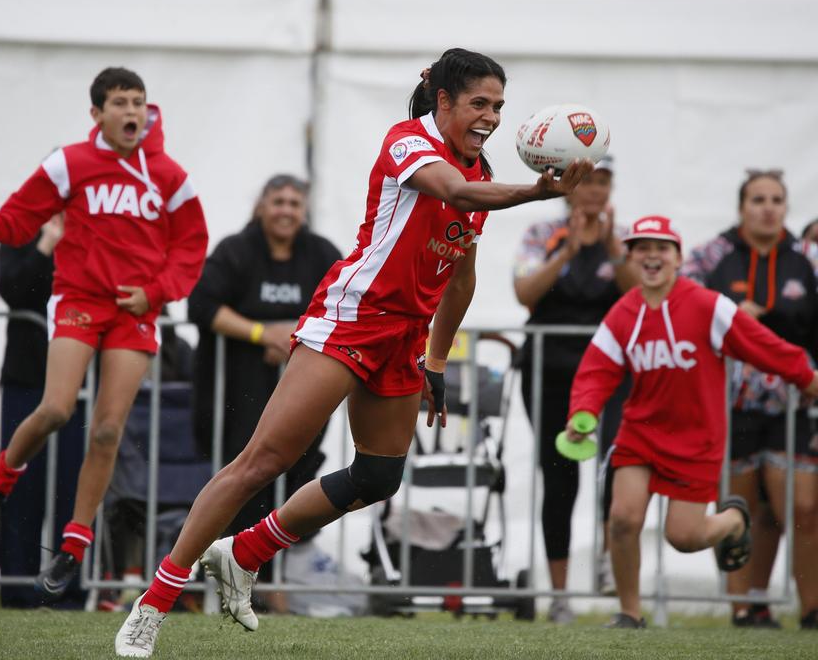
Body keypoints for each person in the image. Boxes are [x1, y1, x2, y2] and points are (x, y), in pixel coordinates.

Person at [113, 47, 595, 657]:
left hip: (404, 338)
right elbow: (452, 191)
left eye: (499, 106)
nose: (491, 117)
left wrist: (437, 361)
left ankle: (244, 553)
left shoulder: (479, 171)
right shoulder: (408, 142)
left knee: (378, 476)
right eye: (479, 103)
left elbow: (462, 278)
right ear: (443, 100)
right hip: (351, 320)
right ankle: (153, 604)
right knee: (262, 461)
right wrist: (536, 191)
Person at [0, 67, 208, 598]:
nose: (132, 111)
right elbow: (17, 222)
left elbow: (192, 247)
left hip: (134, 311)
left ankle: (73, 545)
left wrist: (154, 294)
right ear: (97, 115)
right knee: (56, 409)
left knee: (107, 431)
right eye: (120, 102)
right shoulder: (69, 164)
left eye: (138, 102)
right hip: (80, 301)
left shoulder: (170, 175)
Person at [566, 215, 818, 629]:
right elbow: (596, 371)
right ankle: (630, 612)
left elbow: (760, 345)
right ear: (629, 258)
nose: (651, 256)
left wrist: (805, 376)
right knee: (624, 518)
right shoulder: (622, 314)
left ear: (679, 258)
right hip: (640, 432)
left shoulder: (706, 304)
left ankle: (734, 519)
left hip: (697, 438)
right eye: (642, 248)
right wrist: (583, 414)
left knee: (682, 537)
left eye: (662, 247)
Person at [187, 174, 340, 593]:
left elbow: (346, 306)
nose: (286, 210)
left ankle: (267, 587)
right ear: (261, 206)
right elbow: (200, 304)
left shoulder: (321, 254)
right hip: (233, 397)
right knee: (242, 486)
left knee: (293, 486)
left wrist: (294, 337)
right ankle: (217, 583)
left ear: (304, 211)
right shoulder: (236, 251)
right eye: (278, 202)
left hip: (302, 395)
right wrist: (261, 333)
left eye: (294, 203)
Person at [682, 169, 818, 629]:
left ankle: (812, 608)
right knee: (740, 507)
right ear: (742, 207)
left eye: (776, 199)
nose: (767, 207)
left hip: (792, 402)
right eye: (757, 199)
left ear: (785, 208)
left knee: (800, 507)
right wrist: (729, 312)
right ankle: (745, 608)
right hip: (729, 400)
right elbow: (680, 300)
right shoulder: (713, 255)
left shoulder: (807, 260)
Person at [512, 155, 636, 620]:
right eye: (588, 181)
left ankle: (612, 569)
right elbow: (525, 292)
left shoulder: (622, 240)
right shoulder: (543, 233)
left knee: (616, 466)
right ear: (571, 185)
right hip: (551, 373)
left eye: (604, 181)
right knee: (558, 476)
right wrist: (568, 251)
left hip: (611, 376)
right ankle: (560, 596)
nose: (595, 191)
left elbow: (636, 296)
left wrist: (608, 248)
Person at [0, 212, 88, 608]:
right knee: (22, 487)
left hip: (81, 382)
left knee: (72, 488)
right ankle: (17, 590)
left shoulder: (96, 233)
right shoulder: (18, 229)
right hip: (27, 378)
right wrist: (47, 242)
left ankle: (69, 591)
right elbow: (15, 290)